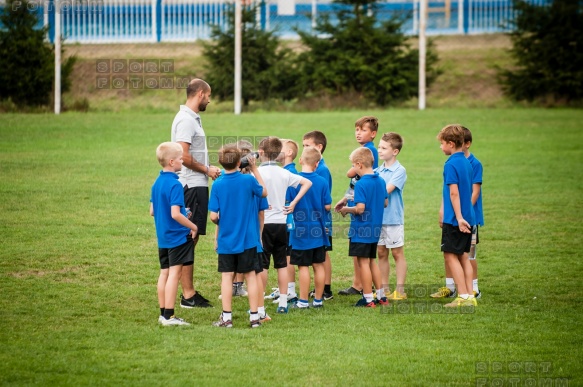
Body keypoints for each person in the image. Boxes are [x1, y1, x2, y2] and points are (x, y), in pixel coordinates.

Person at [171, 78, 220, 309]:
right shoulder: (186, 120)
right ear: (200, 94)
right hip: (191, 184)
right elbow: (183, 155)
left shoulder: (191, 119)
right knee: (189, 236)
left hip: (196, 183)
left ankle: (187, 292)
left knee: (193, 235)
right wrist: (207, 170)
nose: (209, 100)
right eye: (208, 95)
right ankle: (188, 295)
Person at [209, 144, 268, 328]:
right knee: (251, 276)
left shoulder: (217, 184)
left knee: (227, 277)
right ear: (239, 161)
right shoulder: (248, 181)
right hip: (248, 240)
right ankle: (254, 317)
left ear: (220, 162)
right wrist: (255, 169)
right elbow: (264, 192)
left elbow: (213, 216)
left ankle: (226, 318)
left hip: (227, 240)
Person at [258, 136, 312, 314]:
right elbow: (307, 182)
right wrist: (294, 202)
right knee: (281, 264)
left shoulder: (256, 173)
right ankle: (283, 302)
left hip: (264, 223)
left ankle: (259, 306)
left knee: (262, 266)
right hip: (281, 224)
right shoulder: (284, 173)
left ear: (261, 153)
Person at [431, 127, 484, 299]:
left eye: (442, 143)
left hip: (455, 220)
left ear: (451, 144)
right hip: (469, 217)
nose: (440, 147)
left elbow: (454, 193)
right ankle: (469, 295)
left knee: (450, 255)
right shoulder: (467, 163)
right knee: (464, 256)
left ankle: (462, 296)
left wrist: (459, 218)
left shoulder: (451, 164)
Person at [150, 142, 199, 326]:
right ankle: (169, 316)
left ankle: (163, 313)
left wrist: (180, 211)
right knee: (174, 274)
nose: (182, 161)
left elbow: (153, 211)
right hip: (177, 237)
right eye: (180, 159)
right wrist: (193, 226)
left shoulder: (157, 182)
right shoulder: (175, 184)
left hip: (163, 237)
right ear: (172, 162)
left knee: (164, 273)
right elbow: (175, 214)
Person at [337, 147, 388, 307]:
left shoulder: (360, 184)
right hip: (375, 228)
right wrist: (348, 199)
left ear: (359, 164)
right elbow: (385, 202)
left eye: (353, 165)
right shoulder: (380, 180)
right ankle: (381, 296)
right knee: (372, 261)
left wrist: (347, 209)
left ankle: (367, 298)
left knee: (363, 263)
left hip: (361, 229)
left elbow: (360, 209)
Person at [335, 116, 379, 296]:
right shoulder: (363, 150)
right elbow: (353, 180)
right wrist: (346, 198)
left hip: (362, 209)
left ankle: (361, 286)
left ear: (373, 133)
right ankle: (360, 284)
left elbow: (350, 173)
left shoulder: (368, 151)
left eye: (363, 130)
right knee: (362, 253)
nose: (359, 133)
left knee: (361, 252)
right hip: (357, 202)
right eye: (357, 130)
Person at [287, 147, 332, 309]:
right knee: (318, 264)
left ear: (300, 161)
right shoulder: (322, 181)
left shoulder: (293, 180)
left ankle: (303, 301)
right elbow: (328, 205)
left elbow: (287, 204)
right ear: (317, 163)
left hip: (300, 231)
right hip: (318, 230)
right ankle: (318, 300)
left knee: (303, 266)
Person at [375, 132, 408, 301]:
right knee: (381, 252)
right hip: (378, 219)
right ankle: (384, 288)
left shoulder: (399, 171)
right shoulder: (377, 170)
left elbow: (386, 190)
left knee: (397, 253)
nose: (379, 150)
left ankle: (400, 290)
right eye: (379, 147)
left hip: (393, 219)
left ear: (395, 151)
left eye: (383, 148)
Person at [301, 131, 334, 300]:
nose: (304, 149)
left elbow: (324, 200)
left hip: (321, 221)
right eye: (303, 146)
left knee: (323, 255)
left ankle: (326, 289)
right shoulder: (318, 168)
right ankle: (321, 289)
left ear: (319, 147)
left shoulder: (321, 170)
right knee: (319, 257)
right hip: (314, 220)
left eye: (307, 145)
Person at [278, 139, 300, 302]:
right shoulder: (285, 171)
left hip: (288, 221)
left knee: (287, 256)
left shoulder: (290, 173)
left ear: (289, 153)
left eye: (281, 148)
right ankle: (285, 288)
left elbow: (291, 198)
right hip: (285, 220)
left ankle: (290, 290)